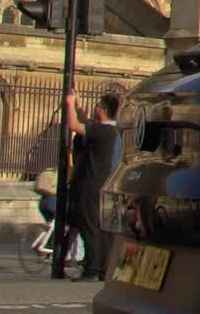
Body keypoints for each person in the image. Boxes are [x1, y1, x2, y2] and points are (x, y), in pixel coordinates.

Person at [63, 90, 121, 282]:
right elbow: (86, 122)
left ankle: (91, 268)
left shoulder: (101, 131)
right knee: (105, 228)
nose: (95, 108)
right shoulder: (115, 130)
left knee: (89, 225)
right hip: (108, 184)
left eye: (97, 105)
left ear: (103, 110)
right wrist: (79, 105)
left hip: (91, 184)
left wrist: (70, 104)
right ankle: (105, 269)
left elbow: (74, 125)